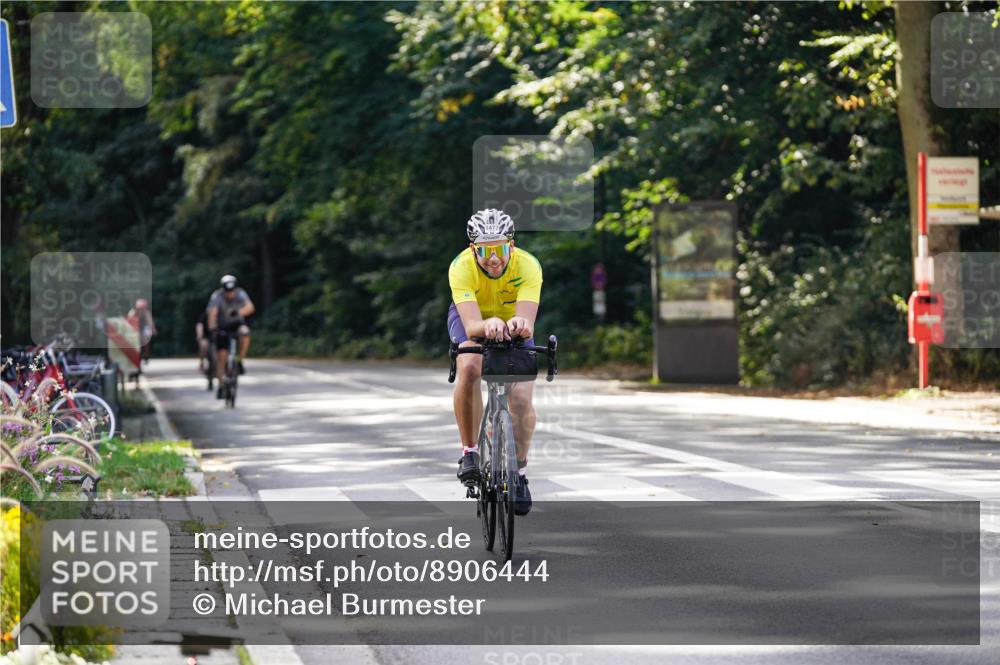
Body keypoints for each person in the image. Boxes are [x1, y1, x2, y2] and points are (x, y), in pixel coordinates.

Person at [448, 208, 542, 516]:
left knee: (520, 399)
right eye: (485, 251)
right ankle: (470, 452)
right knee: (471, 365)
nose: (493, 259)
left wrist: (518, 325)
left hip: (511, 321)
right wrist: (485, 326)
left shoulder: (528, 265)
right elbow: (472, 323)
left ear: (511, 246)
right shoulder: (461, 267)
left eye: (500, 249)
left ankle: (520, 470)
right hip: (472, 319)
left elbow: (527, 321)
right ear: (473, 249)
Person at [206, 275, 255, 398]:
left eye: (231, 291)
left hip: (236, 324)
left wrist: (238, 312)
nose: (230, 294)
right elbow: (212, 312)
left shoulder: (240, 294)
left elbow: (250, 307)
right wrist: (212, 328)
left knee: (245, 333)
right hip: (222, 326)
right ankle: (221, 385)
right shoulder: (217, 296)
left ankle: (239, 360)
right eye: (227, 292)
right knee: (221, 357)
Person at [127, 298, 156, 365]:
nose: (142, 310)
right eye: (140, 308)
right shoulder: (132, 312)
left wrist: (153, 329)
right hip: (135, 328)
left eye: (143, 308)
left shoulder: (146, 312)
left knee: (146, 338)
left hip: (144, 327)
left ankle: (146, 354)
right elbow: (128, 321)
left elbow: (150, 322)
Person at [195, 308, 211, 373]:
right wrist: (199, 336)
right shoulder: (205, 314)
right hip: (207, 336)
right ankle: (202, 362)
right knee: (203, 345)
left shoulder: (225, 315)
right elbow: (199, 325)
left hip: (220, 337)